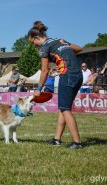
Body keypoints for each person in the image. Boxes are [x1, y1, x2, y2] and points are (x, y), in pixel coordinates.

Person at [28, 20, 83, 149]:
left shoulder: (44, 48)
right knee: (63, 107)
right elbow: (80, 49)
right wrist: (67, 45)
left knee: (65, 109)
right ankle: (57, 139)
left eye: (33, 42)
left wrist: (39, 89)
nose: (34, 45)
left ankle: (77, 142)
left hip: (67, 75)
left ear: (37, 37)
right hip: (78, 75)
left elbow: (45, 70)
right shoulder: (58, 40)